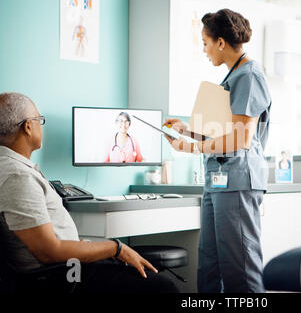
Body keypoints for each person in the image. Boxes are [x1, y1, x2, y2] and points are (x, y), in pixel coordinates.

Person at [0, 92, 178, 293]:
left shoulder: (13, 168)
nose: (42, 126)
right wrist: (115, 248)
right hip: (59, 276)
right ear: (28, 126)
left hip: (63, 269)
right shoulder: (18, 176)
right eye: (40, 120)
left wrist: (97, 249)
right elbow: (48, 252)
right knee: (162, 287)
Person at [163, 9, 271, 293]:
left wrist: (192, 146)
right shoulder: (232, 77)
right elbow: (222, 129)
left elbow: (240, 138)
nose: (204, 49)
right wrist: (187, 129)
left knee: (240, 270)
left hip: (237, 181)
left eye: (205, 42)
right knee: (209, 266)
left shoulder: (249, 75)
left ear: (221, 42)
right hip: (218, 182)